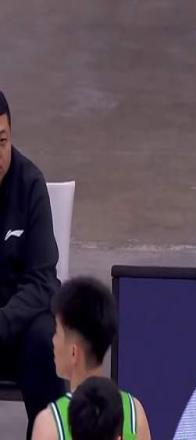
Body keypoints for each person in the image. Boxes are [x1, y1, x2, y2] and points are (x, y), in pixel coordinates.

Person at [0, 90, 65, 439]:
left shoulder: (30, 184)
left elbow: (43, 280)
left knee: (45, 339)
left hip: (18, 327)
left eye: (2, 141)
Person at [31, 277, 151, 440]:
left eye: (57, 332)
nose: (53, 340)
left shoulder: (49, 423)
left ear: (74, 352)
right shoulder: (135, 413)